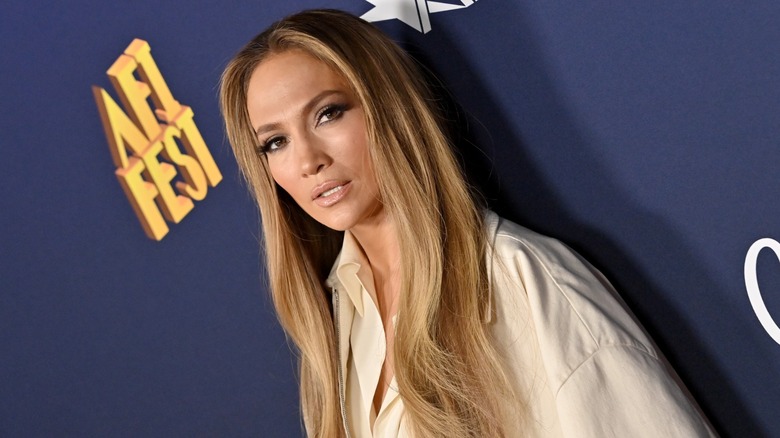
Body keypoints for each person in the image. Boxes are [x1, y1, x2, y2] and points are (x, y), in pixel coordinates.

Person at [220, 9, 715, 438]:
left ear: (387, 109)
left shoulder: (522, 281)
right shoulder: (334, 331)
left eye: (328, 114)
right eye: (275, 143)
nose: (308, 160)